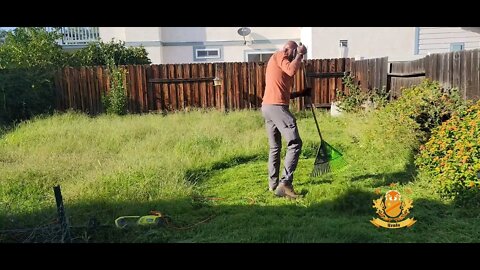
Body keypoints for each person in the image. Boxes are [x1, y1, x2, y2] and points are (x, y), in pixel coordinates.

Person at [261, 40, 311, 199]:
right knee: (295, 143)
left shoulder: (279, 62)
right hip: (276, 107)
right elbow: (290, 71)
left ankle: (273, 184)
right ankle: (285, 184)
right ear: (288, 49)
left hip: (268, 106)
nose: (295, 55)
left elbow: (281, 90)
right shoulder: (280, 55)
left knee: (275, 147)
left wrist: (300, 93)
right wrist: (301, 55)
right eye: (294, 51)